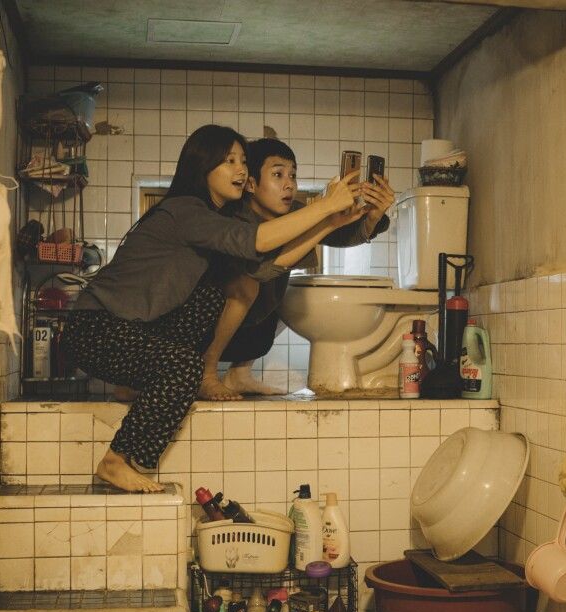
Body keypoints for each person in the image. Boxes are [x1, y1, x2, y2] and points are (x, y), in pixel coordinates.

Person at [62, 125, 359, 492]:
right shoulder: (187, 211)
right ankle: (115, 461)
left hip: (131, 328)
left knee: (217, 294)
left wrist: (328, 223)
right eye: (229, 161)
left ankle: (128, 386)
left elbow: (263, 268)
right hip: (95, 327)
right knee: (184, 368)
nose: (241, 170)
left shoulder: (212, 220)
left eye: (243, 162)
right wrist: (325, 206)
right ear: (203, 166)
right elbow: (257, 241)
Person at [197, 138, 396, 400]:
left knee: (294, 291)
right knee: (248, 282)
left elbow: (338, 233)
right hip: (204, 332)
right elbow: (258, 269)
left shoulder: (294, 210)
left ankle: (240, 374)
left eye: (292, 175)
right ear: (251, 184)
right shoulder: (233, 217)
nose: (289, 183)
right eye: (278, 174)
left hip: (253, 332)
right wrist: (324, 212)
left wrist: (372, 219)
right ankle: (206, 374)